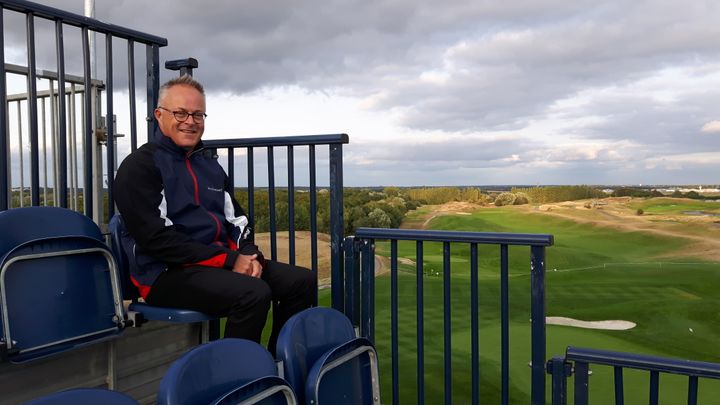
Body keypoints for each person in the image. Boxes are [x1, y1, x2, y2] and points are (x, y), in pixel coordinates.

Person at [114, 75, 316, 354]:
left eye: (198, 114)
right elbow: (157, 240)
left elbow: (238, 220)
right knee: (252, 294)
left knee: (301, 282)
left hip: (214, 265)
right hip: (164, 274)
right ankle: (236, 382)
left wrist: (249, 253)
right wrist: (232, 259)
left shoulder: (208, 165)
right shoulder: (141, 166)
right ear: (159, 116)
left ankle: (277, 363)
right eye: (180, 113)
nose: (190, 121)